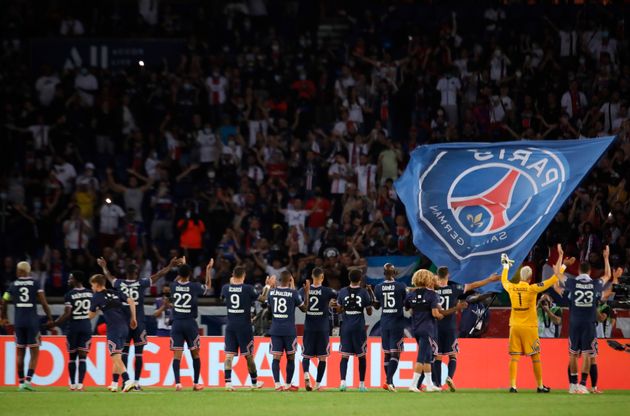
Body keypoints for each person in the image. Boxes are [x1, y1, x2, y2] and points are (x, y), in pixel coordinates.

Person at [98, 256, 183, 390]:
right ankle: (136, 383)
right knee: (138, 354)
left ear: (126, 273)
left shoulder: (119, 283)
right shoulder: (141, 283)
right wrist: (170, 265)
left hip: (123, 323)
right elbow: (159, 275)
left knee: (121, 354)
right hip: (139, 323)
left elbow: (109, 276)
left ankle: (117, 383)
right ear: (136, 273)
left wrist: (104, 266)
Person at [501, 245, 564, 393]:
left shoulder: (511, 287)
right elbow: (552, 280)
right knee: (535, 357)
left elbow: (503, 280)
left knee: (514, 357)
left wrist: (505, 266)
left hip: (514, 326)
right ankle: (540, 386)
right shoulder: (533, 288)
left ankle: (513, 386)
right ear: (529, 278)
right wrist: (563, 267)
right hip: (529, 327)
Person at [433, 267, 500, 391]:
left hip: (436, 327)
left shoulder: (433, 291)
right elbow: (474, 285)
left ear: (437, 275)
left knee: (437, 356)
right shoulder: (454, 289)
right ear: (448, 275)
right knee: (453, 355)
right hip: (450, 327)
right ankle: (449, 377)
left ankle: (437, 385)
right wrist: (490, 279)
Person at [557, 246, 612, 394]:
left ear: (579, 271)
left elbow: (557, 274)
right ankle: (582, 385)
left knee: (573, 354)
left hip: (574, 323)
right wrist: (606, 257)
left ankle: (573, 385)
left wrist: (561, 257)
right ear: (589, 272)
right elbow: (607, 275)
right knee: (588, 353)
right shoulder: (594, 284)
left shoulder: (572, 283)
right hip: (588, 323)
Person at [0, 261, 53, 391]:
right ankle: (28, 381)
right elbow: (43, 302)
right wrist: (50, 318)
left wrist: (3, 317)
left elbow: (4, 300)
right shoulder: (35, 283)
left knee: (20, 352)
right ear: (28, 271)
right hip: (32, 322)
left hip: (18, 322)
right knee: (34, 352)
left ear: (20, 271)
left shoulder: (12, 285)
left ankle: (21, 383)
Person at [220, 266, 271, 391]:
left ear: (233, 275)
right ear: (244, 276)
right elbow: (263, 299)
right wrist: (267, 286)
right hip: (244, 326)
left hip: (230, 325)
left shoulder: (226, 288)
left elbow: (222, 299)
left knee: (229, 355)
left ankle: (228, 383)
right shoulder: (248, 289)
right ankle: (254, 383)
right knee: (248, 356)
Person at [88, 273, 137, 393]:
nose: (91, 288)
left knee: (115, 357)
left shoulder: (97, 297)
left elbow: (91, 315)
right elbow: (131, 301)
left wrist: (83, 315)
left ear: (96, 284)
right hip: (124, 327)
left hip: (113, 329)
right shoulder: (115, 292)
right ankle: (114, 384)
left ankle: (127, 380)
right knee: (118, 356)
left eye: (92, 285)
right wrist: (133, 318)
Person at [169, 259, 213, 391]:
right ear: (190, 274)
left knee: (177, 355)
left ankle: (178, 383)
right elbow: (208, 287)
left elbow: (178, 279)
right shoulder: (194, 286)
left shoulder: (173, 285)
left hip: (176, 323)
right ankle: (195, 383)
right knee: (195, 354)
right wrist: (208, 270)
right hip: (190, 323)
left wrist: (182, 267)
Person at [50, 271, 93, 391]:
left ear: (76, 280)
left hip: (73, 327)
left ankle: (72, 384)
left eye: (70, 278)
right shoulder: (90, 293)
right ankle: (80, 385)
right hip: (86, 326)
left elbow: (67, 313)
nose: (69, 280)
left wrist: (55, 323)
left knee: (72, 356)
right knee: (83, 356)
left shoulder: (69, 295)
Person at [267, 271, 309, 391]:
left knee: (276, 357)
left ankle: (277, 385)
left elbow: (267, 306)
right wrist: (306, 293)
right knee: (291, 357)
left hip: (275, 329)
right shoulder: (294, 293)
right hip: (289, 330)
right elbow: (304, 309)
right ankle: (288, 384)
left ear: (279, 279)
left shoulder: (272, 292)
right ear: (290, 279)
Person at [299, 267, 337, 391]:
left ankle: (306, 374)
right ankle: (318, 384)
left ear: (311, 276)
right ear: (322, 278)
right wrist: (331, 302)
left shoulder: (304, 290)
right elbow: (338, 296)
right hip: (322, 327)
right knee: (322, 357)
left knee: (306, 355)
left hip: (309, 326)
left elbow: (299, 300)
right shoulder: (327, 291)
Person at [405, 269, 443, 393]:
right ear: (428, 279)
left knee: (427, 357)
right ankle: (413, 384)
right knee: (421, 357)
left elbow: (408, 309)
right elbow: (434, 313)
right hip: (427, 328)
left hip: (415, 328)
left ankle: (429, 384)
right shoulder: (432, 294)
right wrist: (441, 315)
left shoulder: (411, 294)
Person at [372, 263, 407, 392]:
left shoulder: (378, 287)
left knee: (387, 353)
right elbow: (405, 302)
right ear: (394, 272)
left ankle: (390, 382)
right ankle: (388, 381)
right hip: (396, 322)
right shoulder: (400, 286)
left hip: (384, 322)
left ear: (383, 273)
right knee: (395, 353)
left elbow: (376, 306)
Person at [336, 269, 373, 392]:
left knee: (345, 356)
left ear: (349, 278)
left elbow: (338, 310)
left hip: (346, 327)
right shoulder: (363, 292)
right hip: (359, 327)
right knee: (361, 356)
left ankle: (342, 383)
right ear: (360, 279)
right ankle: (361, 385)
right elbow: (369, 312)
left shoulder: (342, 292)